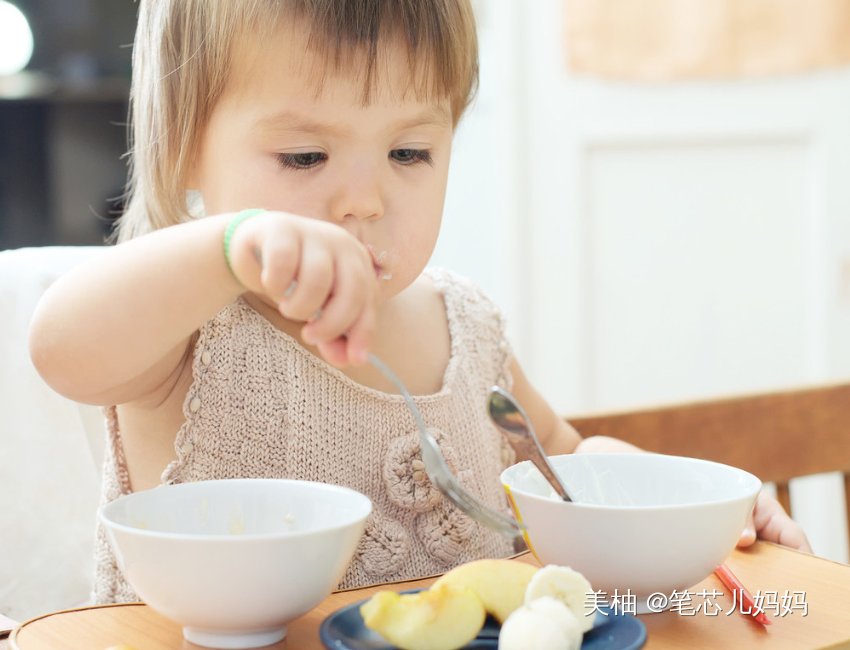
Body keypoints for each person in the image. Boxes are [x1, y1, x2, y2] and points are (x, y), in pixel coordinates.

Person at [28, 0, 809, 604]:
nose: (364, 200)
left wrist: (685, 507)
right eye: (304, 155)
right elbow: (62, 349)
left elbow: (563, 460)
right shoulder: (190, 325)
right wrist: (229, 244)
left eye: (410, 152)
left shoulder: (466, 329)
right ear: (185, 144)